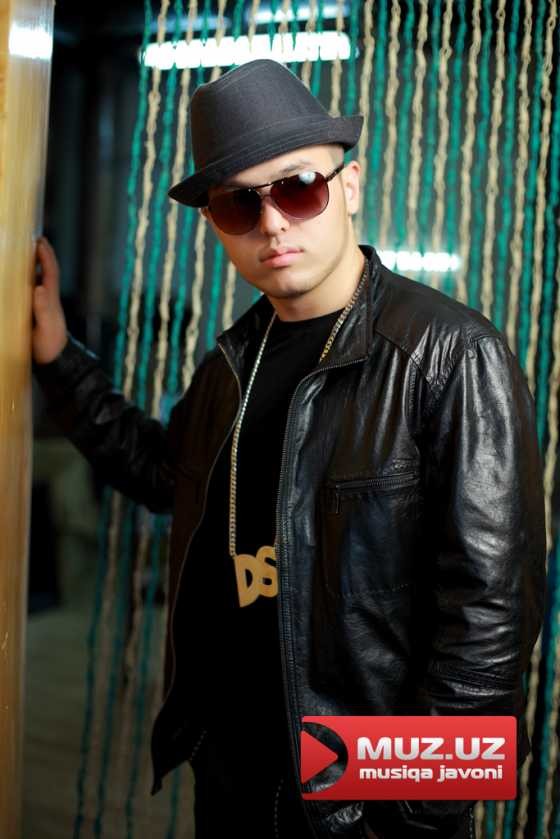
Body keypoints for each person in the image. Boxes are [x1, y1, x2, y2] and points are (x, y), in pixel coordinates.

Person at [32, 59, 546, 839]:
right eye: (239, 202)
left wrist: (405, 816)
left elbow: (490, 630)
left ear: (349, 186)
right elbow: (166, 472)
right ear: (215, 224)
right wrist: (59, 358)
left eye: (298, 187)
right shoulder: (230, 365)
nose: (272, 222)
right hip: (233, 777)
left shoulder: (450, 355)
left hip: (364, 806)